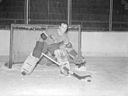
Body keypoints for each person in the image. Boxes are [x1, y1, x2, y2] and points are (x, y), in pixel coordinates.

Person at [21, 23, 86, 75]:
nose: (64, 29)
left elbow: (69, 48)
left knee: (60, 53)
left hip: (53, 46)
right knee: (36, 54)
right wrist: (38, 48)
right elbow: (41, 38)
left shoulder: (65, 37)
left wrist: (76, 56)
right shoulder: (51, 30)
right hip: (44, 44)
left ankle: (64, 69)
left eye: (65, 28)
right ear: (59, 27)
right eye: (63, 27)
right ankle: (26, 69)